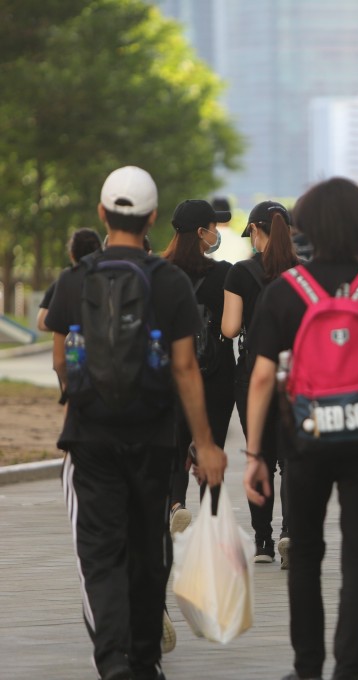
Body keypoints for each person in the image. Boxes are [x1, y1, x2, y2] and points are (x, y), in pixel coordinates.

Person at [242, 176, 358, 680]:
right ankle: (349, 670)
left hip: (303, 439)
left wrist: (256, 453)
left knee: (304, 554)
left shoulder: (286, 290)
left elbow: (261, 377)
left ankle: (306, 668)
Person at [47, 166, 227, 680]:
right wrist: (207, 444)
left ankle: (114, 662)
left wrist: (77, 396)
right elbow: (186, 368)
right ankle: (146, 658)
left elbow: (61, 357)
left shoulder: (74, 279)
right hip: (152, 437)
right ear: (151, 219)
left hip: (91, 438)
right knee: (151, 547)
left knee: (101, 552)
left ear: (103, 215)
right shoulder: (168, 282)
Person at [223, 200, 298, 566]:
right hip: (299, 374)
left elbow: (230, 328)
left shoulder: (240, 273)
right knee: (291, 459)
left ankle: (264, 541)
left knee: (260, 456)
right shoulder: (304, 273)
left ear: (255, 230)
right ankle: (291, 534)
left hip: (253, 372)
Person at [163, 199, 236, 535]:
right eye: (213, 227)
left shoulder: (160, 272)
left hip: (172, 372)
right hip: (217, 372)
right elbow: (232, 326)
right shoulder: (222, 274)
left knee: (175, 443)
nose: (216, 233)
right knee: (213, 446)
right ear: (201, 232)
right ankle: (212, 519)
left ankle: (175, 503)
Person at [37, 228, 103, 332]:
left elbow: (42, 323)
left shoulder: (66, 280)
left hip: (74, 344)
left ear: (71, 255)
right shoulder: (108, 277)